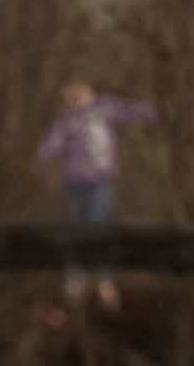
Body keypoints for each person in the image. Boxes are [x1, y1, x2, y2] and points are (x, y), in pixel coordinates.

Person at [37, 80, 156, 311]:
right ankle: (76, 277)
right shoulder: (67, 121)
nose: (76, 102)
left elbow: (128, 111)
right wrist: (44, 153)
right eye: (71, 99)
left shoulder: (103, 110)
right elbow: (53, 141)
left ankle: (105, 280)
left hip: (100, 180)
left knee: (98, 225)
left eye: (79, 96)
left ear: (90, 95)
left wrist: (154, 109)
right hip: (75, 182)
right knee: (76, 227)